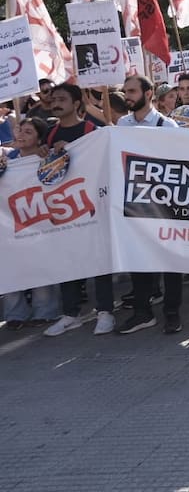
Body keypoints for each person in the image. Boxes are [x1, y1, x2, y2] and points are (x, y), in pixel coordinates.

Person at [43, 83, 116, 337]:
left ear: (76, 104)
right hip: (63, 208)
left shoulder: (90, 130)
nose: (56, 103)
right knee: (67, 260)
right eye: (54, 99)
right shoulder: (49, 134)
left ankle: (105, 311)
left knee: (98, 259)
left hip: (91, 206)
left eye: (62, 99)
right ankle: (71, 313)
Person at [114, 76, 185, 336]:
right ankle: (142, 312)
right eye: (125, 92)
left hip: (164, 205)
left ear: (149, 92)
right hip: (136, 204)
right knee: (139, 257)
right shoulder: (122, 123)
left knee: (170, 262)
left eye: (132, 91)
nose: (127, 96)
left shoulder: (167, 126)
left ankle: (172, 311)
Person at [2, 118, 61, 330]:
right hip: (10, 222)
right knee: (10, 267)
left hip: (39, 219)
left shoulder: (46, 158)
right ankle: (14, 313)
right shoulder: (7, 158)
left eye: (28, 132)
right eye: (20, 129)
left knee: (40, 265)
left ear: (39, 138)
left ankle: (45, 310)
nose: (21, 135)